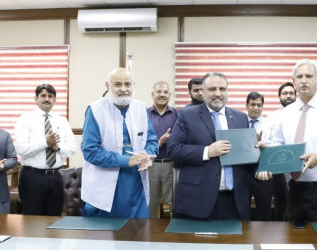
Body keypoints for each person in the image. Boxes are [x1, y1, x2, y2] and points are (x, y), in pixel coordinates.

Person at [257, 59, 317, 226]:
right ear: (293, 81)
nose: (303, 80)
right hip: (295, 189)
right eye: (299, 76)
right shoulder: (284, 114)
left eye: (309, 76)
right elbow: (279, 145)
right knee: (297, 243)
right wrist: (268, 151)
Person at [168, 72, 255, 220]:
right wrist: (208, 151)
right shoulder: (187, 115)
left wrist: (259, 154)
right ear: (203, 91)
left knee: (234, 243)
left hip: (235, 201)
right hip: (198, 200)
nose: (218, 93)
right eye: (212, 89)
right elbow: (173, 150)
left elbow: (246, 156)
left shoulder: (240, 118)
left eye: (222, 89)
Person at [81, 67, 158, 218]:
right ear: (107, 85)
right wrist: (126, 160)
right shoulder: (95, 110)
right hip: (103, 184)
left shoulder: (141, 108)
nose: (123, 89)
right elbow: (90, 151)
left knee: (137, 235)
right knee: (102, 237)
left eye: (128, 84)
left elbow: (152, 141)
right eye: (117, 84)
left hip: (136, 182)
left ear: (133, 85)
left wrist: (147, 156)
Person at [15, 84, 77, 216]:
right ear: (35, 98)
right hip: (32, 176)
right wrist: (45, 142)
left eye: (50, 96)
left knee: (53, 218)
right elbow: (21, 149)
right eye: (43, 96)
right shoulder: (25, 119)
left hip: (56, 176)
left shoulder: (62, 120)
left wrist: (57, 147)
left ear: (55, 100)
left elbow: (73, 147)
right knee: (32, 219)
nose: (47, 99)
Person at [260, 82, 297, 221]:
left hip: (299, 166)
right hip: (278, 168)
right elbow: (265, 140)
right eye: (284, 93)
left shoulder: (304, 115)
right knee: (280, 203)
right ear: (279, 97)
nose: (288, 96)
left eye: (291, 93)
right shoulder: (272, 117)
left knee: (298, 203)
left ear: (295, 96)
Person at [147, 81, 178, 218]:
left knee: (172, 203)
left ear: (170, 95)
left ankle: (172, 235)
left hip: (171, 165)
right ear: (152, 94)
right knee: (150, 203)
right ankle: (148, 234)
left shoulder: (177, 115)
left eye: (165, 92)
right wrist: (159, 143)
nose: (162, 95)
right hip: (150, 165)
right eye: (159, 92)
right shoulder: (144, 114)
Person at [246, 92, 271, 220]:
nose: (256, 108)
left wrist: (265, 144)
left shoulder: (269, 123)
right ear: (247, 105)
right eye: (253, 104)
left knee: (264, 210)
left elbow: (274, 145)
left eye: (259, 105)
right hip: (244, 171)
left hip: (263, 171)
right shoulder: (239, 121)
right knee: (243, 209)